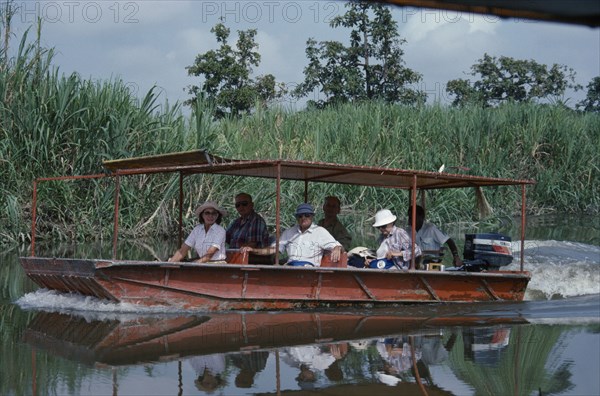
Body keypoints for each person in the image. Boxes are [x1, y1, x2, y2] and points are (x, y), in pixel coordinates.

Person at [242, 203, 342, 267]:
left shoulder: (320, 232)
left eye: (307, 215)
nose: (303, 218)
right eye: (300, 216)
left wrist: (337, 248)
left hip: (309, 269)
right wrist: (253, 250)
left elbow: (337, 246)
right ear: (297, 217)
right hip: (290, 266)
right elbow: (274, 249)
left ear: (312, 216)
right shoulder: (289, 232)